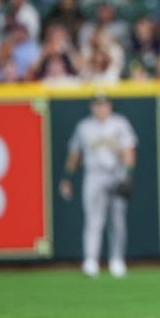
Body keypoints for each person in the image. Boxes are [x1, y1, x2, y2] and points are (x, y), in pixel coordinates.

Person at [59, 95, 138, 278]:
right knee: (93, 219)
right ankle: (90, 260)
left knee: (117, 219)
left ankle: (117, 260)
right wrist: (66, 178)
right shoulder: (84, 126)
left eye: (104, 105)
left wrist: (126, 175)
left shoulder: (119, 123)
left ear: (109, 106)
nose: (100, 108)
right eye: (97, 105)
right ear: (92, 107)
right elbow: (74, 154)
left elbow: (128, 151)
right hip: (93, 175)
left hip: (115, 173)